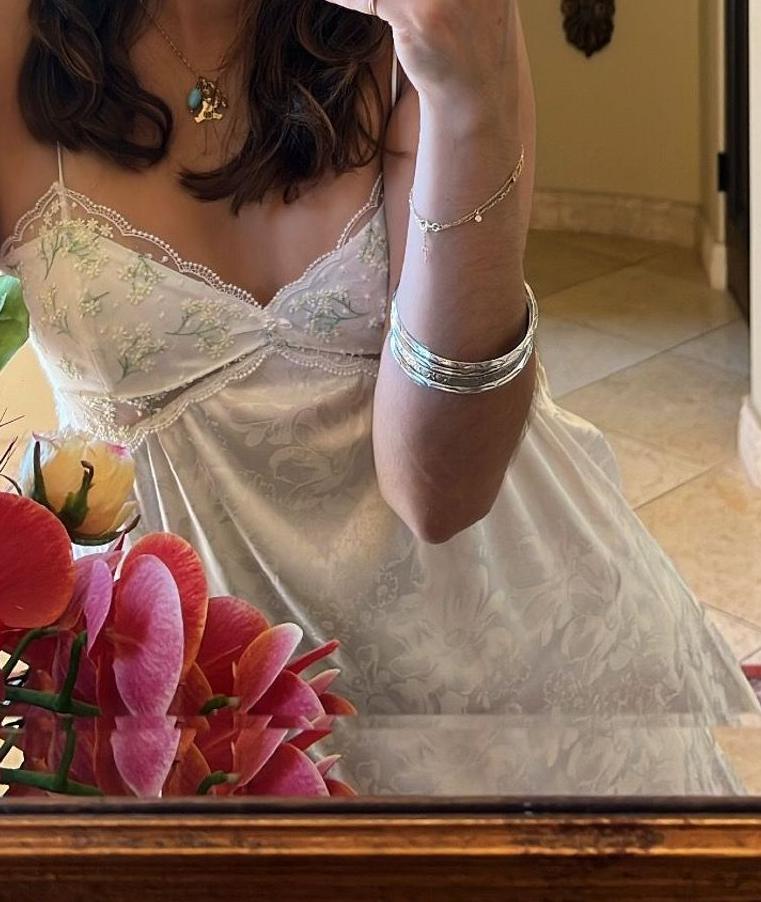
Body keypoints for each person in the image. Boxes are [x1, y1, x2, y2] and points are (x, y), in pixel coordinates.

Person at [0, 0, 757, 746]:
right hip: (175, 703)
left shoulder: (431, 20)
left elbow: (440, 493)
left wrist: (467, 102)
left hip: (504, 675)